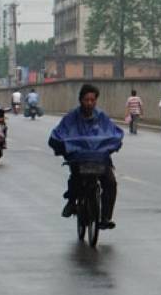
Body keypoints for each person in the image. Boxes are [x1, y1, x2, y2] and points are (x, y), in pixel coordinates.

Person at [49, 84, 124, 229]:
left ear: (96, 101)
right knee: (75, 179)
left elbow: (113, 133)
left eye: (92, 100)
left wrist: (113, 144)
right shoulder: (71, 117)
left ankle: (105, 217)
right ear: (80, 100)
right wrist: (64, 147)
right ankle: (72, 202)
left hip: (99, 160)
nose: (89, 103)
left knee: (110, 183)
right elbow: (59, 134)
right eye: (86, 100)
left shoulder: (101, 117)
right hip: (79, 160)